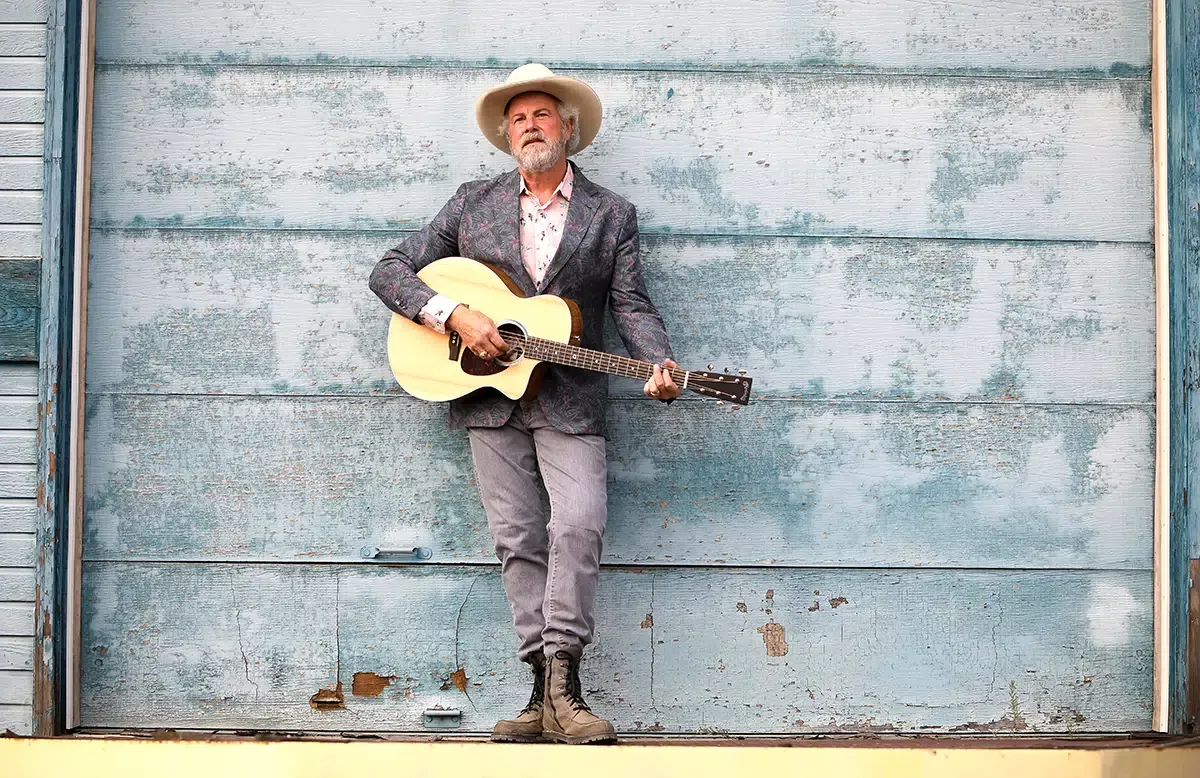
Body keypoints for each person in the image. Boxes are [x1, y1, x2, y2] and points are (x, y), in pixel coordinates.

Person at [368, 63, 680, 744]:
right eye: (518, 119)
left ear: (568, 129)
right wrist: (454, 315)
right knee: (516, 539)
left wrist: (657, 362)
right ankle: (541, 693)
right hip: (487, 394)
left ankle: (568, 683)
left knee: (579, 525)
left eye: (542, 115)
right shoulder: (470, 204)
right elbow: (389, 270)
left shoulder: (611, 214)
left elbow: (631, 303)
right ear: (507, 136)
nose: (530, 127)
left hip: (572, 396)